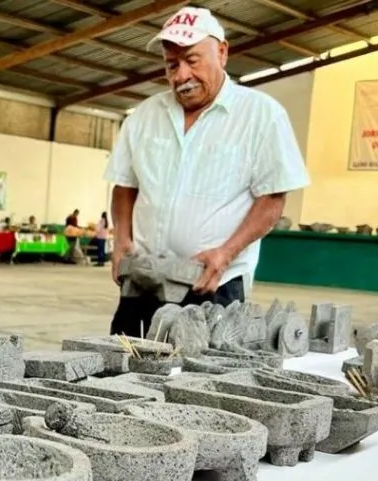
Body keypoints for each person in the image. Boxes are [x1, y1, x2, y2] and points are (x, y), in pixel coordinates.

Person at [103, 6, 309, 337]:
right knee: (122, 364)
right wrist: (121, 240)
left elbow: (272, 199)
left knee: (203, 368)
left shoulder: (261, 115)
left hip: (214, 284)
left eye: (192, 60)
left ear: (222, 52)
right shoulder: (144, 116)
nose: (181, 75)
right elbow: (125, 186)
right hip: (143, 282)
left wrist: (225, 254)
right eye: (172, 64)